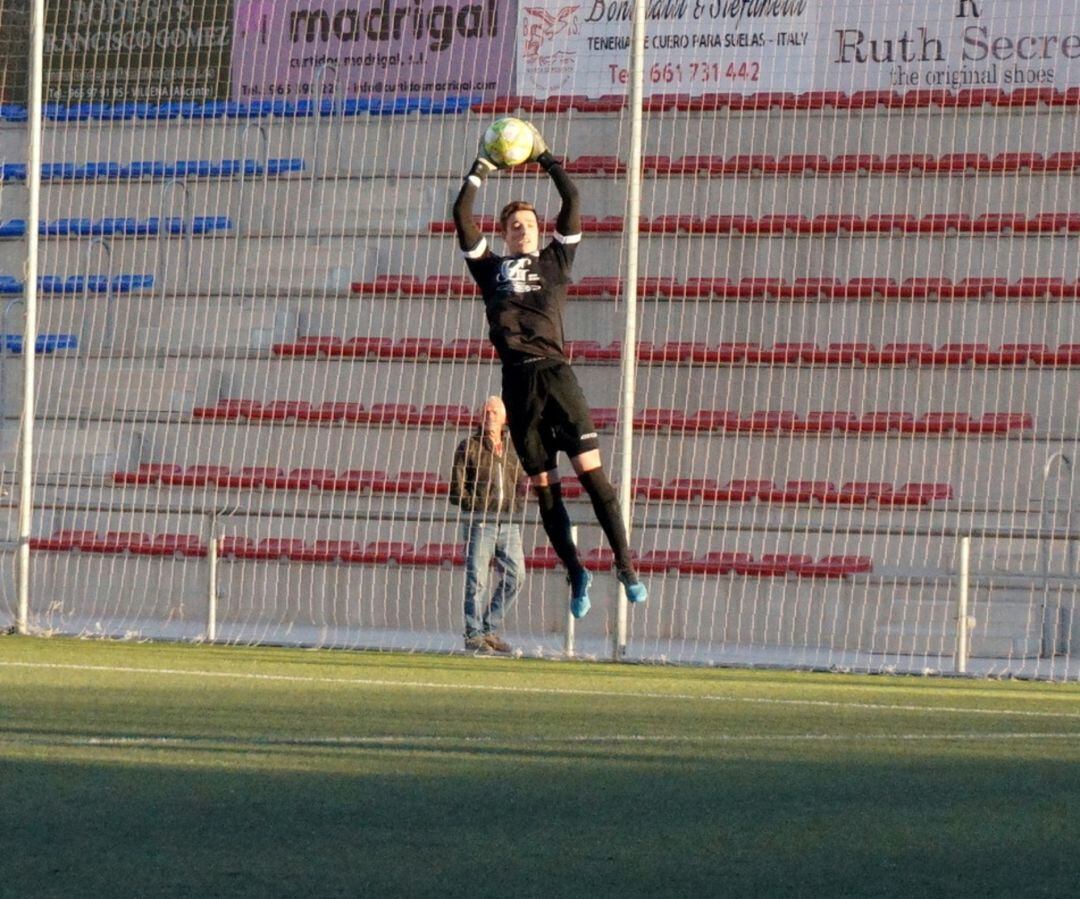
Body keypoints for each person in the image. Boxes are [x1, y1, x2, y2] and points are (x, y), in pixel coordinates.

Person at [451, 123, 647, 619]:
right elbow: (461, 215)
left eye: (529, 224)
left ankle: (626, 567)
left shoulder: (556, 260)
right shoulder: (490, 269)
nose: (523, 230)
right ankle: (576, 571)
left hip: (557, 376)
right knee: (545, 488)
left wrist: (544, 157)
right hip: (517, 384)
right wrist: (481, 166)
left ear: (540, 231)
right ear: (504, 234)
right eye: (514, 226)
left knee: (594, 477)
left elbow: (573, 198)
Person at [449, 395, 527, 653]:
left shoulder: (513, 447)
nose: (490, 416)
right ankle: (474, 635)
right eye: (486, 412)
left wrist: (515, 506)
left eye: (494, 412)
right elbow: (457, 490)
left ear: (504, 417)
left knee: (517, 576)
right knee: (477, 581)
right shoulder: (469, 447)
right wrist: (479, 507)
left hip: (508, 523)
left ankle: (489, 628)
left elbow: (519, 482)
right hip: (481, 522)